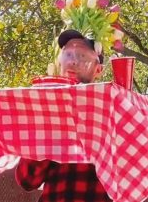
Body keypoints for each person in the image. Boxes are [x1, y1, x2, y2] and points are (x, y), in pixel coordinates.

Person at [15, 29, 112, 202]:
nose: (73, 62)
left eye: (82, 56)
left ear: (98, 69)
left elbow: (129, 179)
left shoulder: (111, 109)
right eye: (68, 54)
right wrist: (48, 124)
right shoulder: (45, 107)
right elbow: (27, 180)